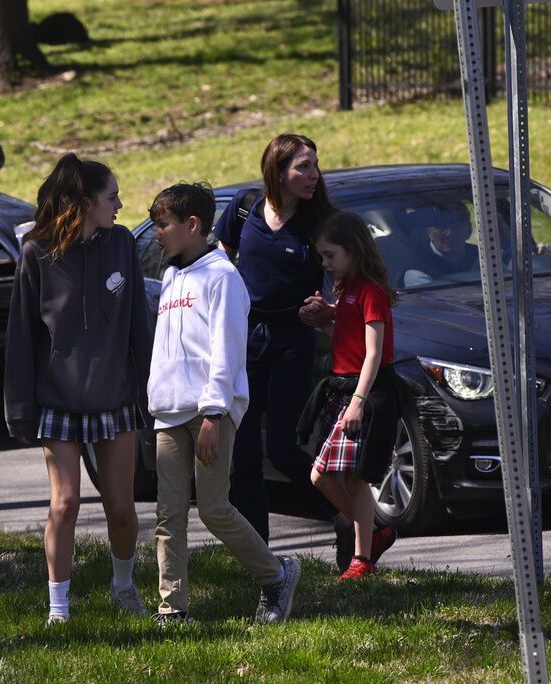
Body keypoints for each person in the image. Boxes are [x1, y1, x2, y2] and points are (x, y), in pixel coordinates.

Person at [4, 153, 153, 626]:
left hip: (116, 397)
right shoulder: (36, 251)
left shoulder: (123, 243)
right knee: (64, 503)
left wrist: (151, 394)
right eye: (112, 197)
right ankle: (58, 608)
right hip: (58, 400)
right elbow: (21, 336)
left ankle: (123, 586)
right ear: (84, 201)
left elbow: (138, 324)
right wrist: (19, 410)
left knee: (123, 509)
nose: (120, 204)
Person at [147, 182, 300, 625]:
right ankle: (172, 610)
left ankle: (276, 575)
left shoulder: (223, 277)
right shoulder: (173, 276)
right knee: (167, 515)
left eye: (163, 225)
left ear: (192, 225)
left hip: (208, 413)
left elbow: (227, 351)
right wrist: (157, 399)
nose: (157, 234)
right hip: (169, 414)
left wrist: (214, 414)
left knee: (214, 509)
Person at [213, 133, 354, 569]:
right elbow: (221, 258)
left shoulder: (322, 220)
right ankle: (260, 562)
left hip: (294, 338)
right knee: (243, 456)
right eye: (303, 167)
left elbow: (348, 279)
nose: (313, 175)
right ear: (278, 170)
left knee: (284, 449)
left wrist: (329, 310)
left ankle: (346, 518)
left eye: (315, 165)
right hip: (246, 338)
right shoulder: (244, 206)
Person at [297, 211, 400, 580]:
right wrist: (326, 318)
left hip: (365, 394)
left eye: (330, 255)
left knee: (350, 478)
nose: (324, 264)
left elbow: (374, 353)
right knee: (325, 476)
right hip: (343, 390)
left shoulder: (371, 292)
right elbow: (349, 334)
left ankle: (362, 557)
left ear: (354, 250)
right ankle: (371, 538)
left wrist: (358, 402)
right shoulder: (348, 289)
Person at [401, 203, 478, 288]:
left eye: (457, 226)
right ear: (429, 231)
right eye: (442, 227)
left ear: (469, 231)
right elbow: (430, 301)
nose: (449, 234)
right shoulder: (417, 272)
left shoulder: (482, 256)